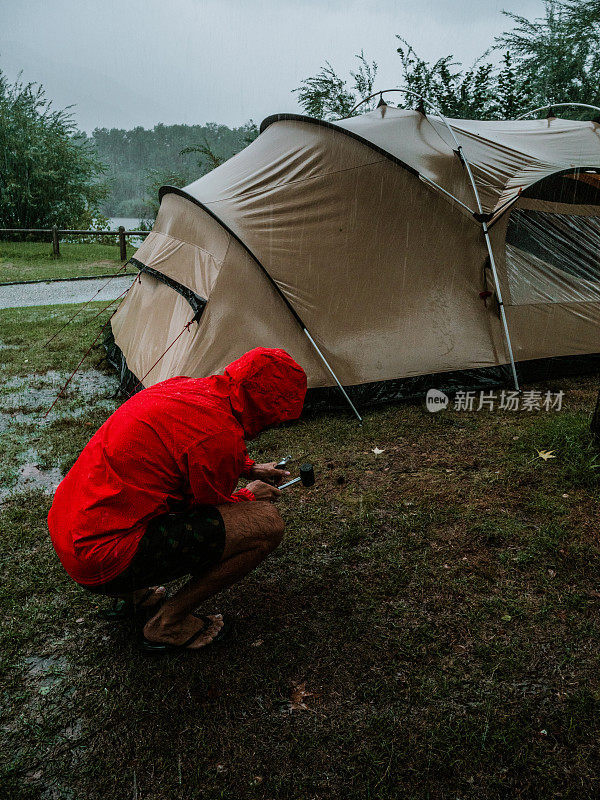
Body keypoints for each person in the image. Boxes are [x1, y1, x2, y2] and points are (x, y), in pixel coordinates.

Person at [48, 347, 307, 652]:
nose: (277, 423)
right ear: (265, 406)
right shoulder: (218, 436)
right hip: (103, 557)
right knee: (265, 525)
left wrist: (250, 467)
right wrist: (251, 495)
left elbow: (185, 445)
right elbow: (210, 512)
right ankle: (168, 624)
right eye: (279, 414)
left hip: (70, 531)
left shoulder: (188, 388)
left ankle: (137, 595)